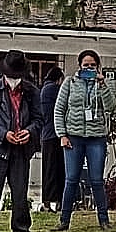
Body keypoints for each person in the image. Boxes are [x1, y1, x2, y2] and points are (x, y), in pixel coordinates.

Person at [0, 49, 42, 232]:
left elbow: (39, 119)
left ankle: (21, 229)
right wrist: (4, 134)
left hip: (21, 150)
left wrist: (29, 132)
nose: (14, 80)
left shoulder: (31, 92)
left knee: (20, 192)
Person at [54, 50, 116, 231]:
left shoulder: (102, 84)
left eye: (92, 65)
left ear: (97, 66)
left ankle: (104, 220)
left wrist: (102, 83)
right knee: (71, 179)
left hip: (96, 138)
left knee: (97, 180)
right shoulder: (69, 83)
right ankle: (64, 220)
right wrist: (62, 135)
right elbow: (59, 109)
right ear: (79, 66)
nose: (89, 68)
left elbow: (112, 107)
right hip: (73, 137)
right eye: (86, 65)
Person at [38, 66, 65, 212]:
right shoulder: (53, 89)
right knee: (58, 170)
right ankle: (56, 201)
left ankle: (47, 202)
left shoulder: (44, 89)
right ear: (59, 79)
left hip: (47, 135)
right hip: (55, 134)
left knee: (48, 169)